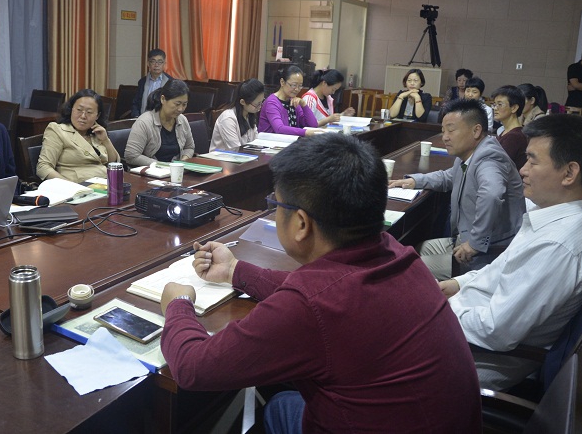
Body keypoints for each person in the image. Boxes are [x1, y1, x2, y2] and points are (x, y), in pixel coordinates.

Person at [160, 134, 482, 434]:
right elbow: (324, 294)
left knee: (278, 406)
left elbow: (192, 367)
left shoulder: (312, 305)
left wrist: (178, 304)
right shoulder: (398, 254)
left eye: (276, 204)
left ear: (301, 223)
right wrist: (234, 270)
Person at [440, 114, 582, 390]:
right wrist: (459, 284)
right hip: (468, 321)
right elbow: (503, 268)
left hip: (476, 356)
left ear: (569, 173)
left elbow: (496, 331)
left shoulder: (559, 246)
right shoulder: (549, 216)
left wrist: (439, 309)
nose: (522, 170)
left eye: (532, 160)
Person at [389, 99, 525, 279]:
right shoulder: (470, 154)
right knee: (419, 248)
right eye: (443, 130)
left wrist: (475, 243)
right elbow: (450, 177)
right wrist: (414, 181)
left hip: (488, 251)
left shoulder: (489, 157)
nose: (445, 137)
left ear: (476, 130)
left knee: (406, 268)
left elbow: (492, 194)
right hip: (464, 236)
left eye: (451, 130)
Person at [36, 90, 120, 183]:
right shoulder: (57, 130)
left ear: (97, 115)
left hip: (105, 184)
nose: (83, 116)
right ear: (71, 109)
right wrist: (71, 186)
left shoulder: (97, 132)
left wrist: (105, 140)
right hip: (76, 186)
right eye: (79, 110)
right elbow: (43, 167)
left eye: (89, 112)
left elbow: (114, 165)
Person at [125, 79, 194, 167]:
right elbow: (131, 156)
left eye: (184, 104)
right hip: (151, 172)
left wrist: (183, 161)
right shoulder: (144, 122)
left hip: (175, 171)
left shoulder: (182, 120)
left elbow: (189, 147)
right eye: (177, 104)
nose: (181, 109)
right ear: (163, 99)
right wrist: (162, 166)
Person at [259, 66, 322, 137]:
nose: (297, 89)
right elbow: (279, 129)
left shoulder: (293, 101)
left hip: (290, 141)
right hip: (271, 142)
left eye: (300, 86)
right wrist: (305, 132)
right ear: (282, 82)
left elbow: (313, 125)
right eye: (294, 85)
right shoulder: (272, 102)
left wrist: (304, 104)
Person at [210, 79, 264, 151]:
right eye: (257, 104)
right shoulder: (228, 119)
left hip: (244, 155)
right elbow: (235, 149)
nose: (260, 107)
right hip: (223, 157)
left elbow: (255, 142)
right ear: (242, 102)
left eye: (261, 102)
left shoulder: (249, 115)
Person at [491, 85, 527, 170]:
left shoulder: (515, 137)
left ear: (514, 108)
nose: (495, 108)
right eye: (494, 104)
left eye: (500, 104)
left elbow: (498, 165)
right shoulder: (505, 132)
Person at [131, 48, 172, 118]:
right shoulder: (142, 82)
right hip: (144, 119)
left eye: (160, 62)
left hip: (163, 119)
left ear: (164, 64)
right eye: (153, 61)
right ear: (148, 63)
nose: (156, 65)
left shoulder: (171, 82)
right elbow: (135, 103)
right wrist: (136, 117)